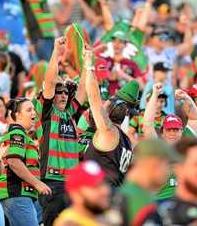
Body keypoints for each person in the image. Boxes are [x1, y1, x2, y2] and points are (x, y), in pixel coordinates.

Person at [34, 36, 87, 226]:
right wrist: (56, 51)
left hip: (73, 182)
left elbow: (83, 90)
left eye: (66, 92)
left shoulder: (71, 112)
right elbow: (49, 82)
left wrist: (88, 63)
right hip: (52, 181)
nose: (63, 95)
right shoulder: (46, 112)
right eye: (59, 92)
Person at [83, 48, 139, 188]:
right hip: (115, 193)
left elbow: (93, 97)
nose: (105, 103)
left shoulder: (108, 131)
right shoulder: (127, 141)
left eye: (108, 101)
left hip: (100, 193)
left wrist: (89, 64)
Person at [0, 98, 51, 226]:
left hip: (22, 195)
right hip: (16, 194)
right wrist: (37, 184)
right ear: (18, 115)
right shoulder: (17, 133)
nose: (34, 113)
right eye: (29, 110)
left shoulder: (23, 135)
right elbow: (13, 161)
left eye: (33, 109)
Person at [116, 138, 180, 225]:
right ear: (153, 163)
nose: (168, 172)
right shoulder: (140, 200)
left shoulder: (122, 193)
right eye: (167, 164)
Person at [54, 160, 110, 226]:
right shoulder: (70, 223)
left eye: (103, 184)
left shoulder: (101, 217)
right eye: (95, 187)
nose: (105, 191)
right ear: (76, 195)